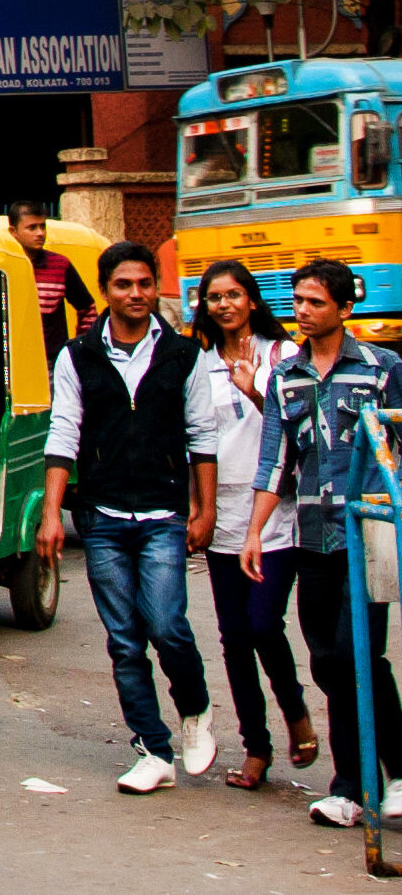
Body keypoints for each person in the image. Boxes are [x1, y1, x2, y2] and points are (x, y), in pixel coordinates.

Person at [41, 238, 219, 793]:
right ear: (106, 292)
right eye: (124, 284)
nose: (136, 293)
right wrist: (52, 514)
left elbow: (202, 437)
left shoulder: (183, 355)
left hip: (165, 513)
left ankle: (194, 712)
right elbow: (63, 433)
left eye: (144, 283)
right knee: (124, 640)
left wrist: (205, 508)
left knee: (167, 626)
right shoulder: (77, 355)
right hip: (102, 516)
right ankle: (152, 749)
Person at [243, 256, 402, 827]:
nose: (303, 312)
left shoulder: (382, 368)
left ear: (344, 308)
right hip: (312, 537)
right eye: (299, 302)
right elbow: (275, 461)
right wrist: (255, 532)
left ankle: (360, 783)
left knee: (359, 652)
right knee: (331, 663)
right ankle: (381, 774)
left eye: (315, 302)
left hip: (369, 533)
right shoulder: (286, 377)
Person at [189, 258, 319, 789]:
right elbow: (197, 442)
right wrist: (199, 509)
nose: (224, 304)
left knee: (265, 624)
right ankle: (257, 750)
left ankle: (294, 709)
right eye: (214, 296)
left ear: (253, 299)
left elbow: (302, 431)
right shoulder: (200, 365)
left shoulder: (284, 355)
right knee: (234, 637)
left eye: (234, 294)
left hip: (274, 513)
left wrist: (254, 391)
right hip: (223, 515)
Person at [14, 205, 97, 362]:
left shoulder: (60, 265)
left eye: (42, 227)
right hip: (10, 362)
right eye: (32, 228)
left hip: (52, 361)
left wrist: (80, 348)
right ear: (14, 232)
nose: (40, 233)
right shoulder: (1, 266)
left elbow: (88, 309)